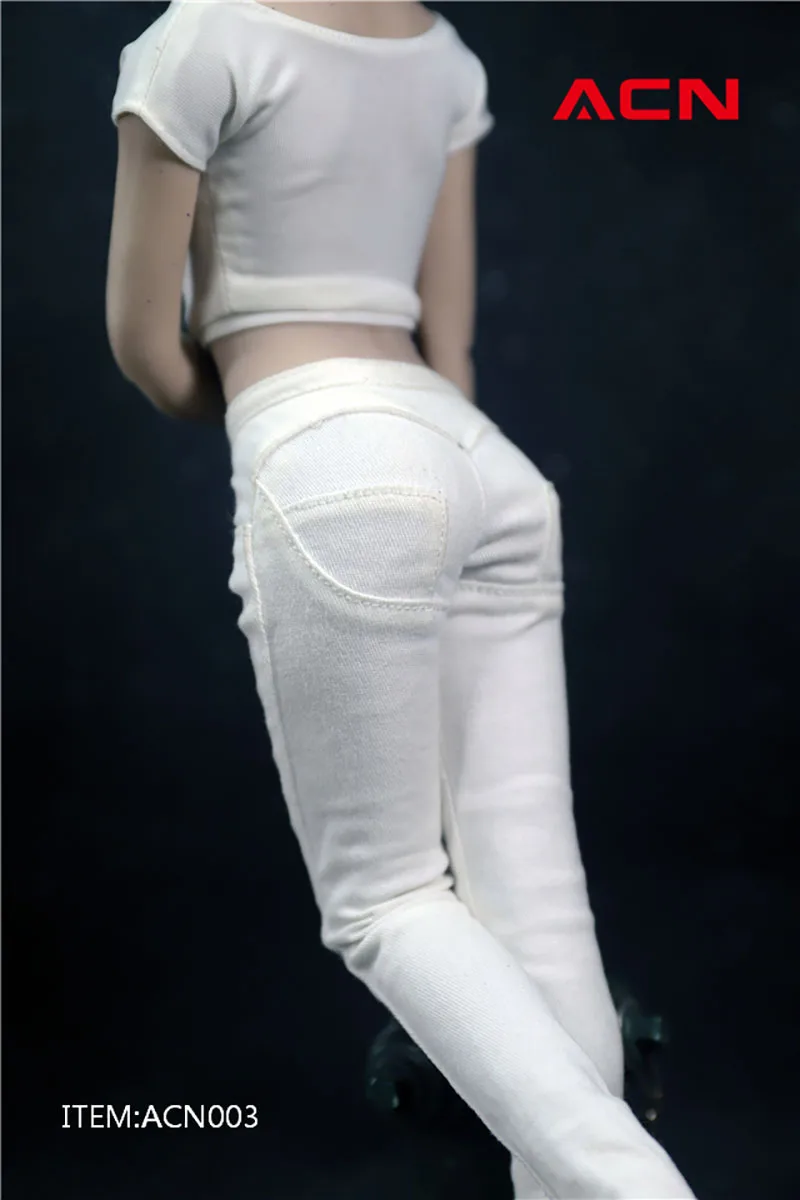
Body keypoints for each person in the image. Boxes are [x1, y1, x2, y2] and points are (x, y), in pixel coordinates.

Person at [106, 3, 696, 1196]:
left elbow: (144, 343)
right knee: (537, 901)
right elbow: (450, 345)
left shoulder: (198, 41)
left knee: (385, 901)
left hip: (332, 454)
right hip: (478, 460)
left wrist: (266, 404)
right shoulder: (443, 57)